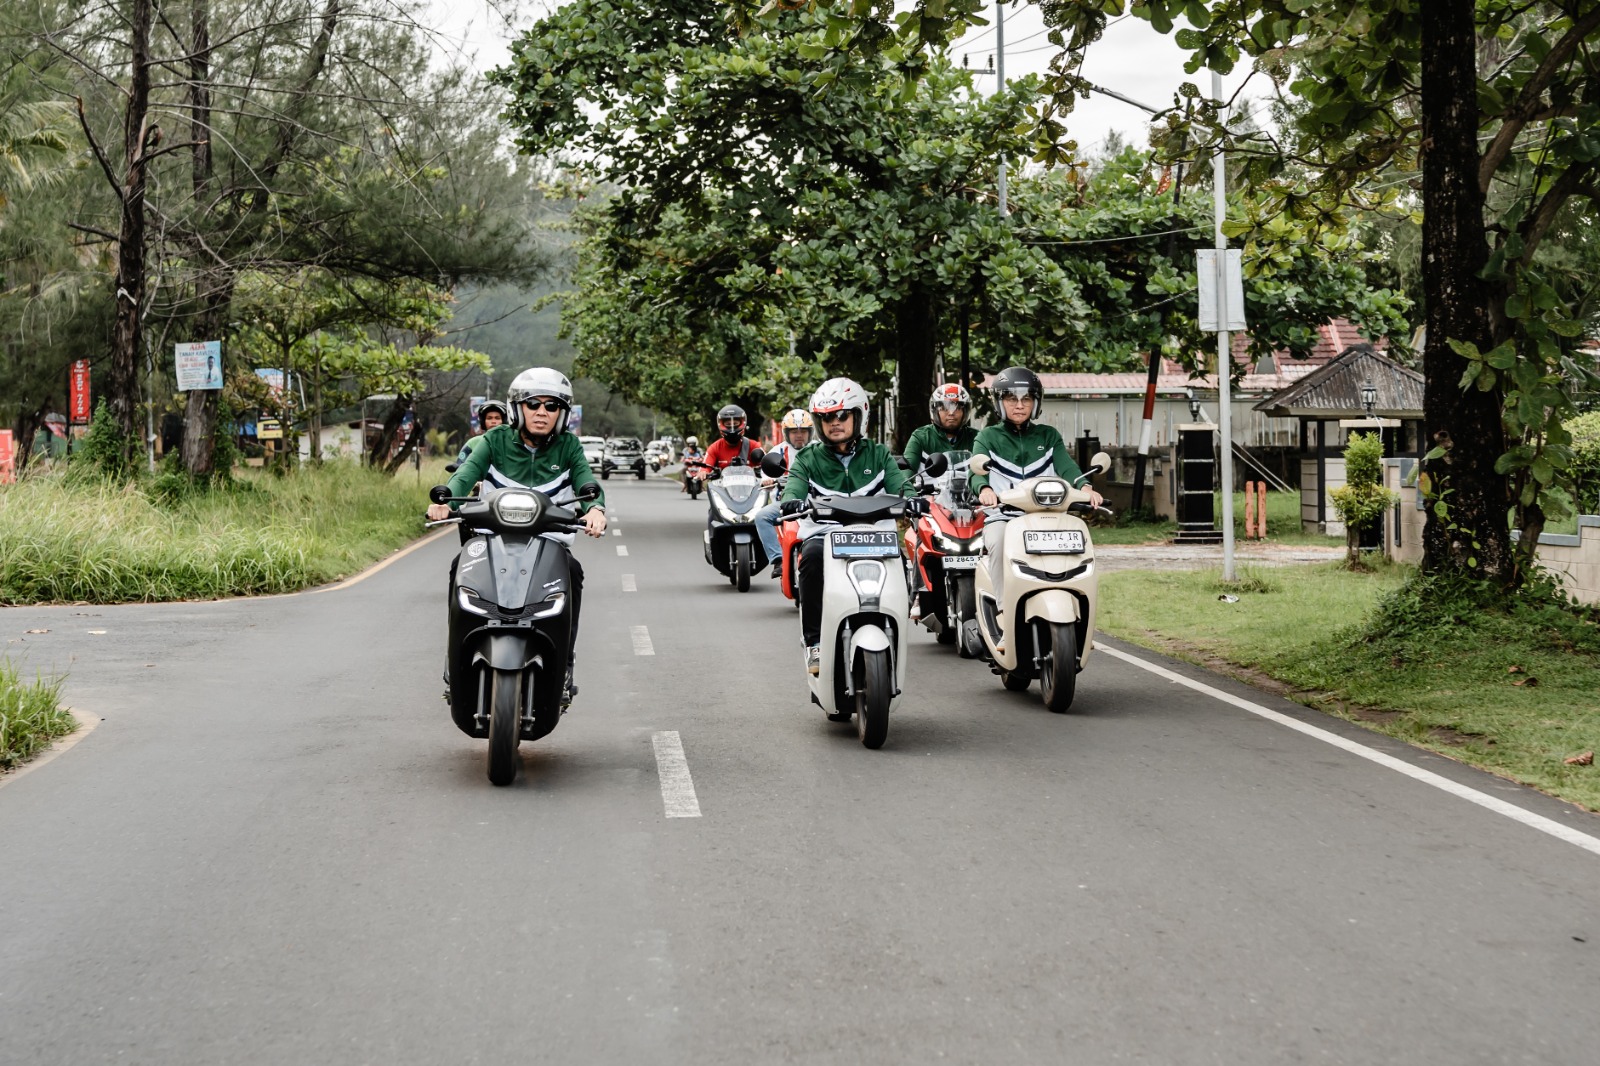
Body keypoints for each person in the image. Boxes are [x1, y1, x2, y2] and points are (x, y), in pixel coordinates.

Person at [427, 368, 606, 700]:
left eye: (552, 406)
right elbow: (466, 474)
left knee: (573, 571)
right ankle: (455, 660)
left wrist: (595, 509)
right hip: (491, 539)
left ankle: (565, 663)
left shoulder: (569, 446)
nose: (542, 412)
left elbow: (586, 481)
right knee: (458, 567)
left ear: (562, 413)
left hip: (549, 541)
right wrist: (445, 501)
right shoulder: (493, 440)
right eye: (533, 404)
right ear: (517, 408)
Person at [779, 378, 916, 676]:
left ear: (859, 416)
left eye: (842, 415)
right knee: (810, 558)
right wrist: (791, 502)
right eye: (827, 417)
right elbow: (793, 488)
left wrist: (914, 500)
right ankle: (814, 642)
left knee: (904, 567)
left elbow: (901, 485)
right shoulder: (807, 458)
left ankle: (897, 625)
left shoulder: (878, 454)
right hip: (825, 536)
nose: (835, 423)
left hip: (877, 537)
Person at [970, 366, 1102, 605]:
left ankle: (1076, 602)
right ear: (1000, 402)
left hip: (1048, 515)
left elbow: (1067, 467)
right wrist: (984, 489)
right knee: (998, 541)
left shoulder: (1048, 436)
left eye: (1027, 399)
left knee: (1078, 542)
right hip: (1003, 516)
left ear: (1036, 402)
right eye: (1012, 399)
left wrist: (1084, 486)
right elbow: (976, 471)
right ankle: (1004, 608)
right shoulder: (987, 437)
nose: (1019, 405)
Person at [755, 408, 815, 577]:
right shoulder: (778, 452)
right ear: (786, 433)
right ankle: (778, 560)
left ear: (810, 432)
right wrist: (767, 481)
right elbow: (766, 473)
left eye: (803, 431)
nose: (799, 435)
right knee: (762, 517)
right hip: (785, 504)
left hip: (815, 503)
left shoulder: (819, 450)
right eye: (794, 431)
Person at [903, 382, 978, 474]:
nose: (951, 413)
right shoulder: (921, 437)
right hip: (928, 483)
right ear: (935, 411)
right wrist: (906, 481)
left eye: (957, 408)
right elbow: (907, 470)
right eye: (944, 408)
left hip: (967, 484)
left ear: (965, 411)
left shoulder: (976, 438)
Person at [700, 404, 759, 472]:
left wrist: (765, 475)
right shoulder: (715, 448)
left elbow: (766, 463)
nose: (732, 428)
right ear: (721, 424)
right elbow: (705, 467)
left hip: (750, 479)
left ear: (743, 423)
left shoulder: (754, 446)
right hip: (722, 479)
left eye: (735, 423)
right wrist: (703, 472)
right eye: (728, 424)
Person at [454, 400, 510, 465]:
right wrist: (457, 466)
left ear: (504, 421)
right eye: (489, 418)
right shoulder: (473, 443)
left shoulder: (513, 442)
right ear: (483, 421)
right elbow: (460, 462)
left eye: (497, 418)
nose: (493, 421)